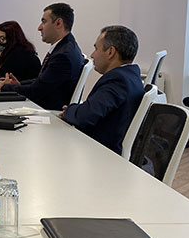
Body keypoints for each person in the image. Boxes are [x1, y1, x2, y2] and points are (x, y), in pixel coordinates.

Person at [60, 25, 145, 154]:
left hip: (99, 152)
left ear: (110, 52)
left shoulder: (118, 80)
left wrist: (69, 111)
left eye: (96, 48)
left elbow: (85, 117)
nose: (92, 55)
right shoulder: (131, 76)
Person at [0, 2, 84, 110]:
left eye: (44, 21)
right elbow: (42, 80)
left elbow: (36, 91)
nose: (39, 27)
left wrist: (7, 87)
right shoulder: (67, 47)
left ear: (58, 23)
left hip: (48, 111)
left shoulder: (63, 56)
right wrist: (18, 84)